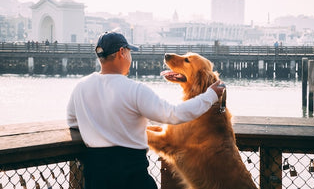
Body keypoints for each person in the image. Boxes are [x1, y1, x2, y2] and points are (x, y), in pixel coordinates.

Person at [67, 32, 225, 189]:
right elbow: (173, 114)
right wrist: (210, 96)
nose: (130, 57)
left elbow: (73, 123)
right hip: (131, 174)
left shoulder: (80, 87)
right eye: (129, 52)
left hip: (96, 175)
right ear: (122, 53)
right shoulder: (135, 89)